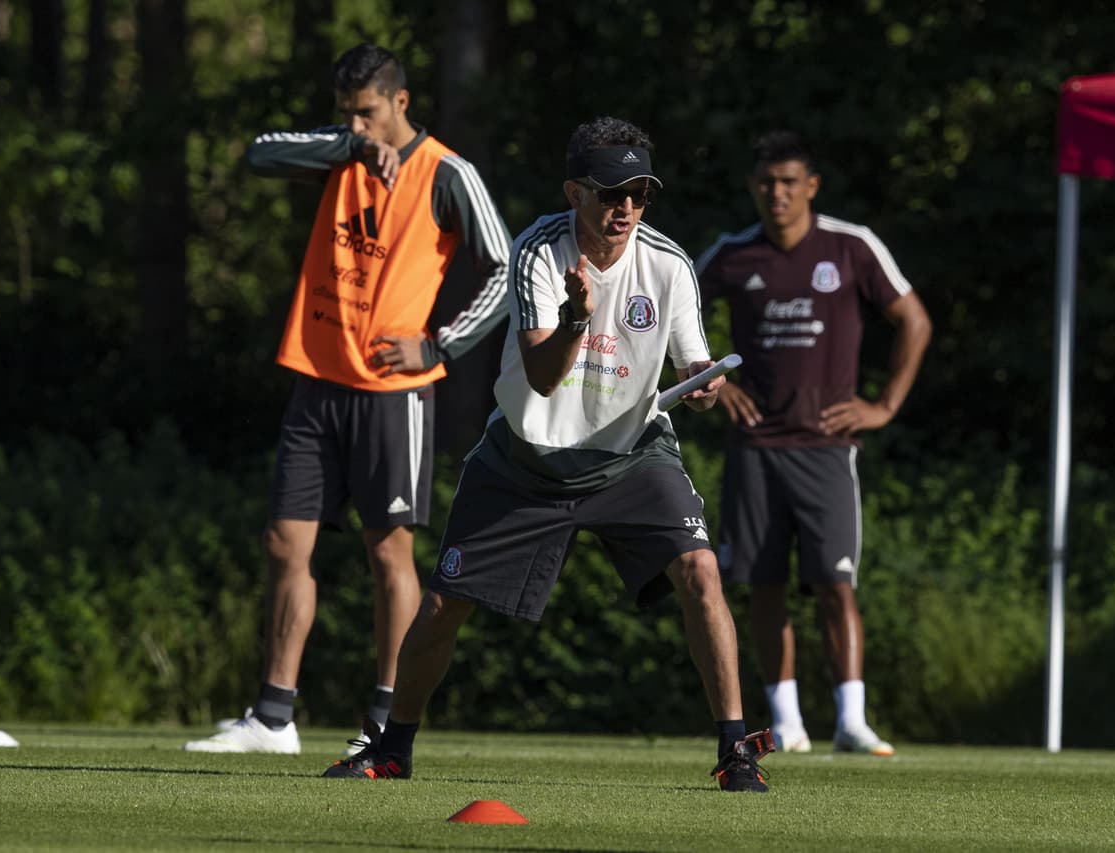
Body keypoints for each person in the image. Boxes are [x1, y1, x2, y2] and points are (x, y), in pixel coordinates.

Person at [321, 116, 775, 792]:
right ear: (573, 192)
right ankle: (392, 748)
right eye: (609, 193)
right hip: (526, 459)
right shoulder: (538, 252)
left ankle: (736, 752)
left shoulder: (670, 264)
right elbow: (540, 375)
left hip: (631, 456)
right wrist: (575, 320)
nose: (624, 209)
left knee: (701, 571)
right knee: (445, 605)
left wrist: (705, 383)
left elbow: (694, 361)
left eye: (639, 194)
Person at [184, 44, 511, 754]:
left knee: (388, 553)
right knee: (282, 543)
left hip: (392, 393)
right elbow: (258, 155)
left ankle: (387, 725)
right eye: (346, 114)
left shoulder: (447, 173)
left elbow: (506, 267)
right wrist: (350, 149)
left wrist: (442, 344)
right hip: (317, 376)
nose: (358, 125)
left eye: (367, 113)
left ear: (401, 101)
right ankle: (274, 716)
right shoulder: (342, 153)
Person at [695, 130, 931, 756]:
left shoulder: (850, 247)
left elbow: (914, 320)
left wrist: (883, 406)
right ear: (754, 188)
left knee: (835, 582)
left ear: (812, 186)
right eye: (767, 183)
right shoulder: (733, 253)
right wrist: (714, 384)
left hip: (828, 448)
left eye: (789, 182)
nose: (778, 193)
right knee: (763, 584)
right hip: (755, 447)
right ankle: (788, 722)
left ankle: (851, 720)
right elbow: (666, 311)